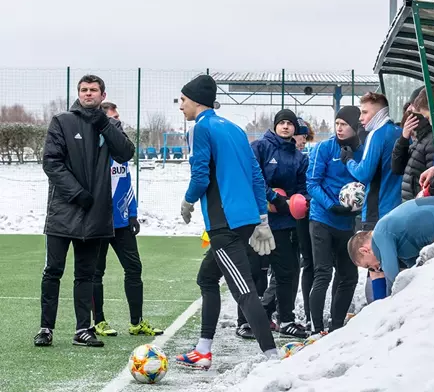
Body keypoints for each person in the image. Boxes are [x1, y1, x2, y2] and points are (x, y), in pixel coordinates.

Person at [175, 75, 278, 369]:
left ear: (196, 101)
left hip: (224, 222)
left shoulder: (200, 128)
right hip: (243, 220)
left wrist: (188, 200)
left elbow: (200, 176)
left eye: (183, 100)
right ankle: (203, 350)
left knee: (243, 290)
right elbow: (256, 175)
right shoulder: (234, 128)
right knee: (207, 278)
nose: (180, 106)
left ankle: (272, 357)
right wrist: (261, 218)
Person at [35, 75, 135, 347]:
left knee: (86, 275)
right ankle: (46, 328)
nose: (88, 93)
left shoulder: (111, 124)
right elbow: (51, 163)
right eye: (83, 90)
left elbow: (126, 153)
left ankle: (82, 330)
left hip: (95, 215)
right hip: (63, 212)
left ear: (103, 95)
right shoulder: (62, 121)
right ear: (78, 93)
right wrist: (77, 194)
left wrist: (103, 123)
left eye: (93, 90)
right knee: (53, 271)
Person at [90, 102, 163, 338]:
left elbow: (127, 184)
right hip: (98, 223)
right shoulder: (94, 150)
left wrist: (132, 214)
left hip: (122, 224)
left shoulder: (121, 151)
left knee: (134, 268)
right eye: (114, 118)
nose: (118, 122)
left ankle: (136, 323)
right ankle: (98, 322)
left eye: (118, 118)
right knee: (95, 272)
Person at [237, 108, 310, 339]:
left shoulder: (299, 158)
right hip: (256, 220)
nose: (286, 126)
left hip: (284, 223)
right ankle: (246, 322)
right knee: (253, 273)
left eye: (290, 123)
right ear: (275, 125)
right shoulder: (260, 147)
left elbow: (302, 189)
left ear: (294, 128)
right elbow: (251, 177)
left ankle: (286, 320)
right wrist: (271, 199)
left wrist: (298, 202)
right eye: (282, 122)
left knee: (286, 272)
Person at [307, 106, 364, 334]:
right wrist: (331, 205)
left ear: (356, 127)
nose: (339, 128)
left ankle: (336, 326)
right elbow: (312, 183)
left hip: (347, 222)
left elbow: (366, 179)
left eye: (345, 124)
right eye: (337, 123)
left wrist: (356, 208)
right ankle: (316, 328)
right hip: (322, 218)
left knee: (349, 275)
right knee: (323, 272)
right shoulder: (324, 148)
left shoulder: (363, 151)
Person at [341, 92, 403, 231]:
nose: (360, 118)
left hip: (377, 211)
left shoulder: (376, 134)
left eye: (365, 112)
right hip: (400, 208)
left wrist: (348, 160)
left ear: (379, 113)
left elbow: (363, 174)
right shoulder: (400, 132)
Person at [391, 101, 434, 201]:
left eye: (413, 111)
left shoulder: (430, 140)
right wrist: (403, 139)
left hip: (420, 202)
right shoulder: (417, 142)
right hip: (413, 200)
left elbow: (433, 179)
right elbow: (397, 168)